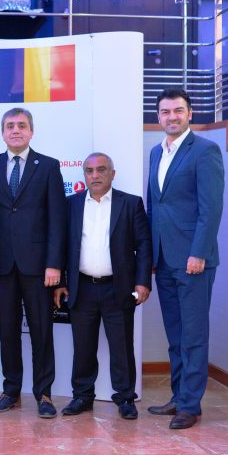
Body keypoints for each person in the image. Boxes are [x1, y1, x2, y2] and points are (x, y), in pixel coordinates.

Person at [0, 107, 67, 419]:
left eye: (21, 125)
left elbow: (57, 219)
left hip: (39, 267)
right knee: (8, 330)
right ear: (3, 132)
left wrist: (54, 264)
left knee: (42, 330)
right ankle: (11, 390)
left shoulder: (49, 166)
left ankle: (44, 393)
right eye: (10, 126)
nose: (16, 130)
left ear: (31, 131)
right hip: (0, 265)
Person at [146, 88, 224, 429]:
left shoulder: (205, 151)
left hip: (194, 261)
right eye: (165, 112)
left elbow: (211, 209)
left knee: (193, 336)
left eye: (178, 110)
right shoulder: (155, 152)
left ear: (189, 113)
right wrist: (150, 254)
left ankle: (190, 406)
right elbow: (154, 206)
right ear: (158, 117)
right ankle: (179, 397)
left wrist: (199, 252)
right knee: (176, 335)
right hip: (164, 260)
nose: (172, 117)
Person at [54, 153, 152, 420]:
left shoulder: (130, 203)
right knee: (83, 347)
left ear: (112, 174)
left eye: (101, 170)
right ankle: (82, 396)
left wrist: (143, 281)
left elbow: (143, 245)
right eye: (89, 170)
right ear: (84, 175)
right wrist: (61, 282)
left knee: (122, 347)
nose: (95, 175)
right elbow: (62, 245)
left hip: (118, 288)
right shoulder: (71, 204)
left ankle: (125, 398)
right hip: (82, 288)